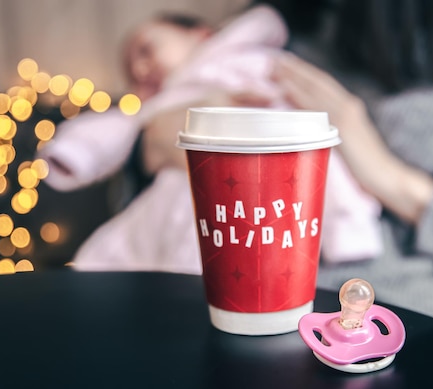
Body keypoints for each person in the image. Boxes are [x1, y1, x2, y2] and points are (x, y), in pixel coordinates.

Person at [133, 0, 433, 380]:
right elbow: (155, 160)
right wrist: (161, 137)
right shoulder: (277, 25)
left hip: (407, 339)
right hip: (217, 317)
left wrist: (397, 183)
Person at [38, 4, 383, 274]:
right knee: (126, 246)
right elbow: (112, 129)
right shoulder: (160, 104)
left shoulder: (248, 61)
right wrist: (74, 154)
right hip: (179, 188)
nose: (142, 70)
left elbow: (318, 139)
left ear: (202, 35)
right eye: (133, 75)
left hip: (263, 188)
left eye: (146, 50)